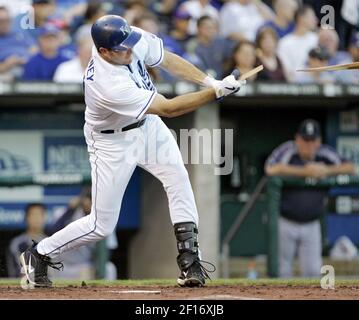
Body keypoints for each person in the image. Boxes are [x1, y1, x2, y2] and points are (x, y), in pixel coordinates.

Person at [20, 14, 246, 288]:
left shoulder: (125, 37)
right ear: (104, 51)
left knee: (178, 179)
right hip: (111, 142)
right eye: (121, 48)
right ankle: (40, 253)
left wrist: (210, 82)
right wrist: (217, 94)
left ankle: (190, 264)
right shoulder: (106, 83)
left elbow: (167, 59)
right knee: (100, 225)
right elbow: (169, 108)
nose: (129, 49)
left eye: (129, 43)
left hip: (147, 125)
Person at [265, 119, 355, 278]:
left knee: (313, 272)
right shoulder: (288, 150)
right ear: (297, 139)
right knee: (282, 272)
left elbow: (351, 168)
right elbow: (271, 168)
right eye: (305, 140)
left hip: (312, 224)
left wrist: (326, 170)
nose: (309, 144)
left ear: (318, 141)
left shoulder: (325, 153)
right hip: (286, 222)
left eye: (312, 140)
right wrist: (305, 171)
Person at [277, 5, 318, 82]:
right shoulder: (285, 43)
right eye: (312, 17)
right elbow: (286, 70)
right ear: (301, 18)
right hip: (295, 84)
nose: (315, 20)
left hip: (316, 81)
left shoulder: (316, 39)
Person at [7, 203, 47, 278]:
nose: (37, 219)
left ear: (44, 217)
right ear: (27, 218)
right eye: (33, 215)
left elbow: (56, 271)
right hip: (22, 285)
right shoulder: (18, 243)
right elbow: (17, 271)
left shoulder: (50, 242)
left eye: (39, 215)